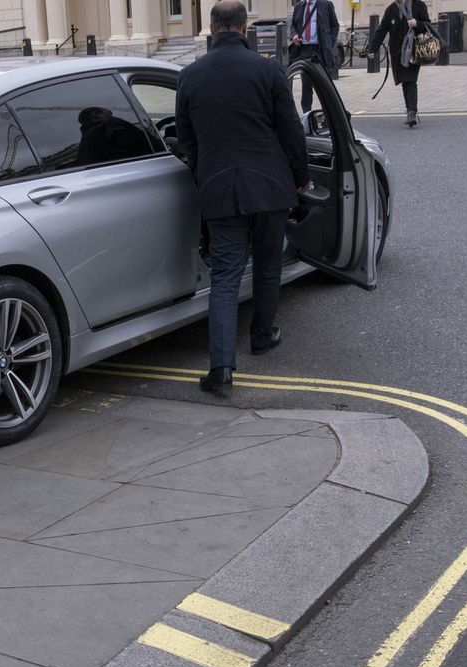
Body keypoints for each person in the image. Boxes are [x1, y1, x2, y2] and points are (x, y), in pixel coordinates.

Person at [176, 0, 308, 395]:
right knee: (268, 265)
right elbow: (291, 130)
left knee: (225, 279)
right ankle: (262, 336)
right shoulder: (268, 70)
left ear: (212, 28)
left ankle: (221, 371)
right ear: (244, 27)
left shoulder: (190, 76)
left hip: (220, 189)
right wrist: (300, 177)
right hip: (270, 186)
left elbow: (186, 139)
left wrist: (204, 174)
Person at [364, 0, 431, 127]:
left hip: (413, 50)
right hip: (397, 52)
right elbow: (382, 30)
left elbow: (428, 26)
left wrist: (416, 23)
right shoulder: (391, 9)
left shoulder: (418, 5)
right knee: (404, 81)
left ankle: (412, 112)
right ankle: (410, 110)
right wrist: (372, 49)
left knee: (410, 80)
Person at [289, 0, 340, 112]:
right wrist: (294, 35)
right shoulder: (299, 6)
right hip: (303, 49)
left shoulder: (326, 5)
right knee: (306, 84)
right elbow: (293, 26)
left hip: (320, 50)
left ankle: (328, 113)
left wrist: (329, 42)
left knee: (324, 85)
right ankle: (307, 114)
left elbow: (335, 26)